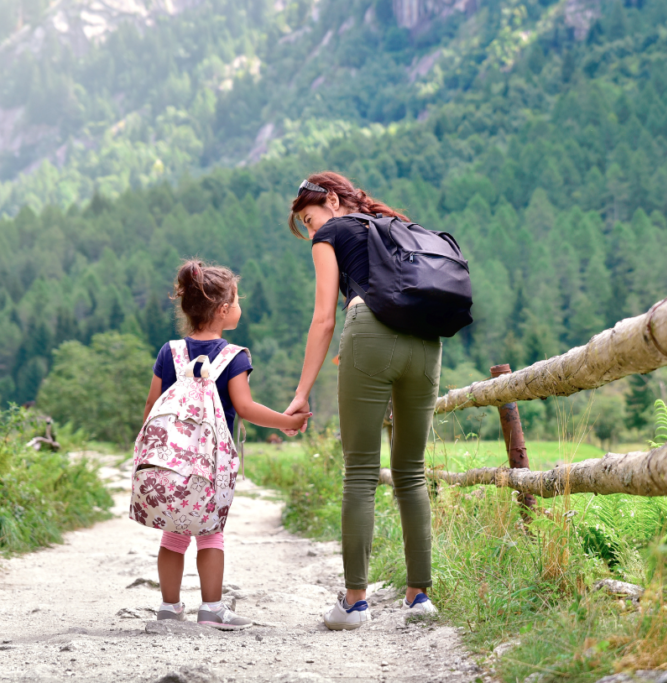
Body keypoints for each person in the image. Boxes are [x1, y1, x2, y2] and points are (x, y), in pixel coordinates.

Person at [283, 172, 442, 630]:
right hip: (426, 341)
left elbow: (322, 319)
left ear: (332, 200)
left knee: (360, 471)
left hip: (368, 332)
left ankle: (354, 603)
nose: (312, 232)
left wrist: (301, 392)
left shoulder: (333, 233)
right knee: (411, 471)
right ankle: (419, 599)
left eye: (310, 220)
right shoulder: (398, 226)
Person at [141, 260, 311, 629]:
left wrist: (153, 454)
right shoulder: (234, 356)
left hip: (171, 462)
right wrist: (287, 423)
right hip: (211, 466)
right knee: (210, 534)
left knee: (174, 533)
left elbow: (151, 408)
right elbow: (246, 408)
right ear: (222, 310)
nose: (239, 306)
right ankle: (212, 608)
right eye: (236, 300)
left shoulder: (168, 352)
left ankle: (169, 608)